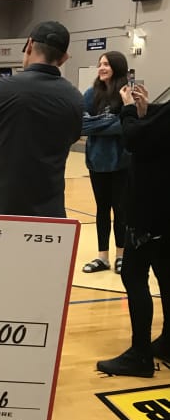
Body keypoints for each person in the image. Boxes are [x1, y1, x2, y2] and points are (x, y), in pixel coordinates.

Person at [0, 21, 83, 217]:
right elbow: (72, 137)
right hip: (48, 215)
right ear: (64, 58)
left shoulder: (1, 89)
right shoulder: (74, 97)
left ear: (29, 45)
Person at [96, 83, 170, 377]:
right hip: (164, 210)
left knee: (134, 274)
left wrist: (129, 110)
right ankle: (168, 342)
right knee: (165, 272)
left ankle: (139, 354)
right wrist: (145, 111)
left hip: (151, 209)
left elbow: (136, 139)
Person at [80, 51, 130, 275]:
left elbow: (126, 125)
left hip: (122, 162)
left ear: (117, 67)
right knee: (102, 209)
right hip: (96, 161)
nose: (102, 67)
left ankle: (121, 255)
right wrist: (111, 120)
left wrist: (98, 123)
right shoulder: (91, 94)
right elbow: (81, 125)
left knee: (120, 209)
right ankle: (103, 257)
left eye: (107, 64)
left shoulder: (127, 92)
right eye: (100, 64)